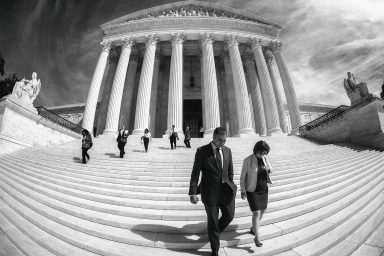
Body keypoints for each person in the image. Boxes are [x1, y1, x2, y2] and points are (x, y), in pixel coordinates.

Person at [189, 127, 237, 256]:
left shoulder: (228, 151)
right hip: (210, 192)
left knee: (229, 216)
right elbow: (195, 173)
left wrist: (232, 185)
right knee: (213, 221)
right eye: (220, 140)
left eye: (224, 140)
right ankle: (214, 249)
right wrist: (193, 192)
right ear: (214, 137)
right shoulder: (202, 151)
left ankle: (213, 233)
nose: (222, 143)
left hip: (226, 191)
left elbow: (230, 171)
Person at [240, 140, 273, 247]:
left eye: (265, 153)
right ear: (256, 150)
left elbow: (271, 169)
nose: (263, 155)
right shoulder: (247, 160)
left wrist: (267, 168)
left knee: (263, 210)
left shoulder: (265, 158)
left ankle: (254, 228)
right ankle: (257, 237)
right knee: (256, 213)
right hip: (252, 190)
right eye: (262, 152)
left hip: (263, 188)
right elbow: (242, 177)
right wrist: (243, 190)